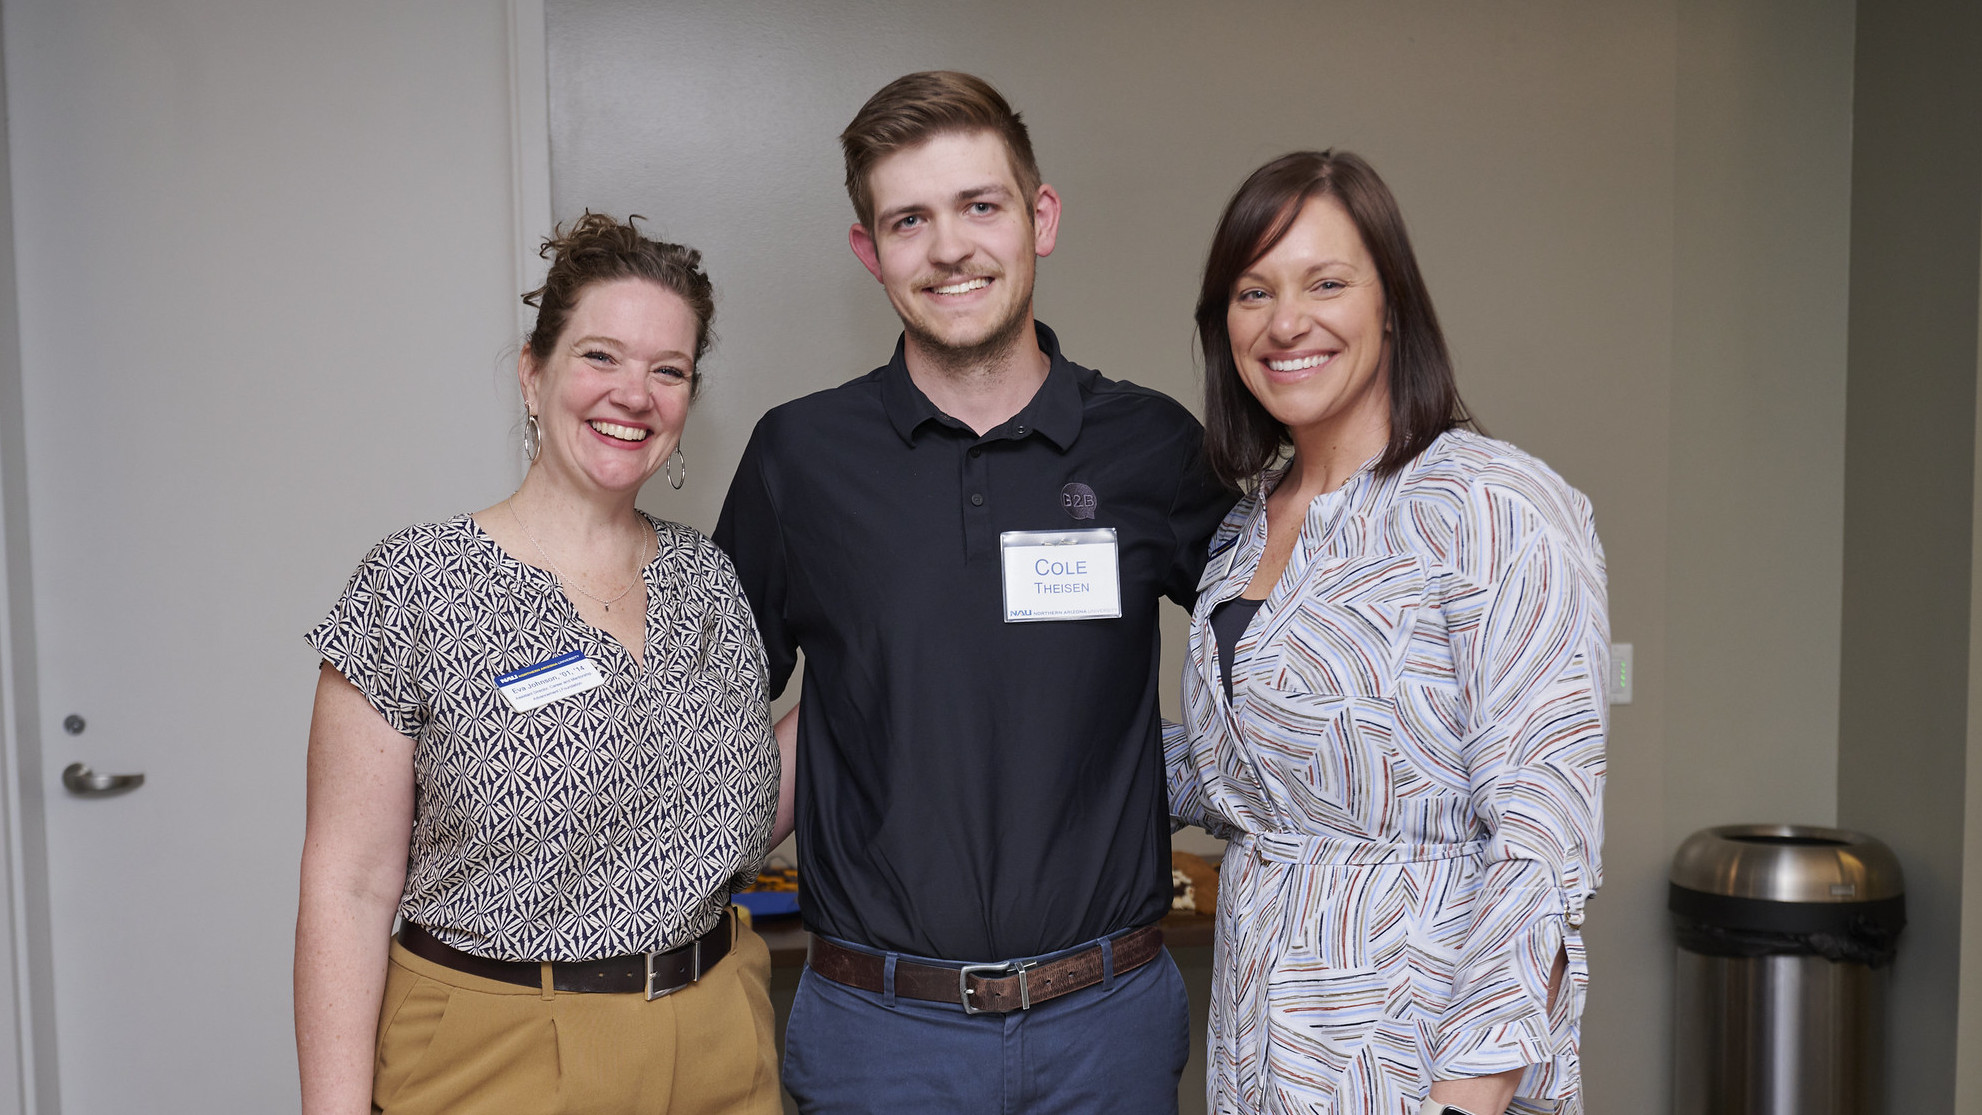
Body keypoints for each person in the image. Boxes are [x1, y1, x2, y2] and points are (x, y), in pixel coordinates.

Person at [713, 71, 1235, 1113]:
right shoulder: (799, 458)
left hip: (1109, 1023)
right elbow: (705, 719)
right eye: (908, 219)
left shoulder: (1152, 448)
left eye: (978, 206)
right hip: (877, 1033)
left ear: (1039, 218)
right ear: (869, 250)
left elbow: (1287, 658)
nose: (948, 248)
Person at [294, 213, 783, 1115]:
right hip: (498, 1050)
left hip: (720, 1037)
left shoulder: (709, 583)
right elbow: (350, 884)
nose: (634, 393)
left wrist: (891, 660)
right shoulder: (416, 584)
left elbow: (720, 813)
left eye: (667, 370)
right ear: (533, 373)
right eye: (601, 356)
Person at [1168, 151, 1607, 1115]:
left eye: (1327, 282)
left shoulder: (1492, 506)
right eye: (1254, 291)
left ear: (1392, 303)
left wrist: (1466, 1098)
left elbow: (1542, 840)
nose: (1288, 322)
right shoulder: (1246, 529)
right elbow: (1249, 773)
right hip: (1262, 1054)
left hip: (1420, 1063)